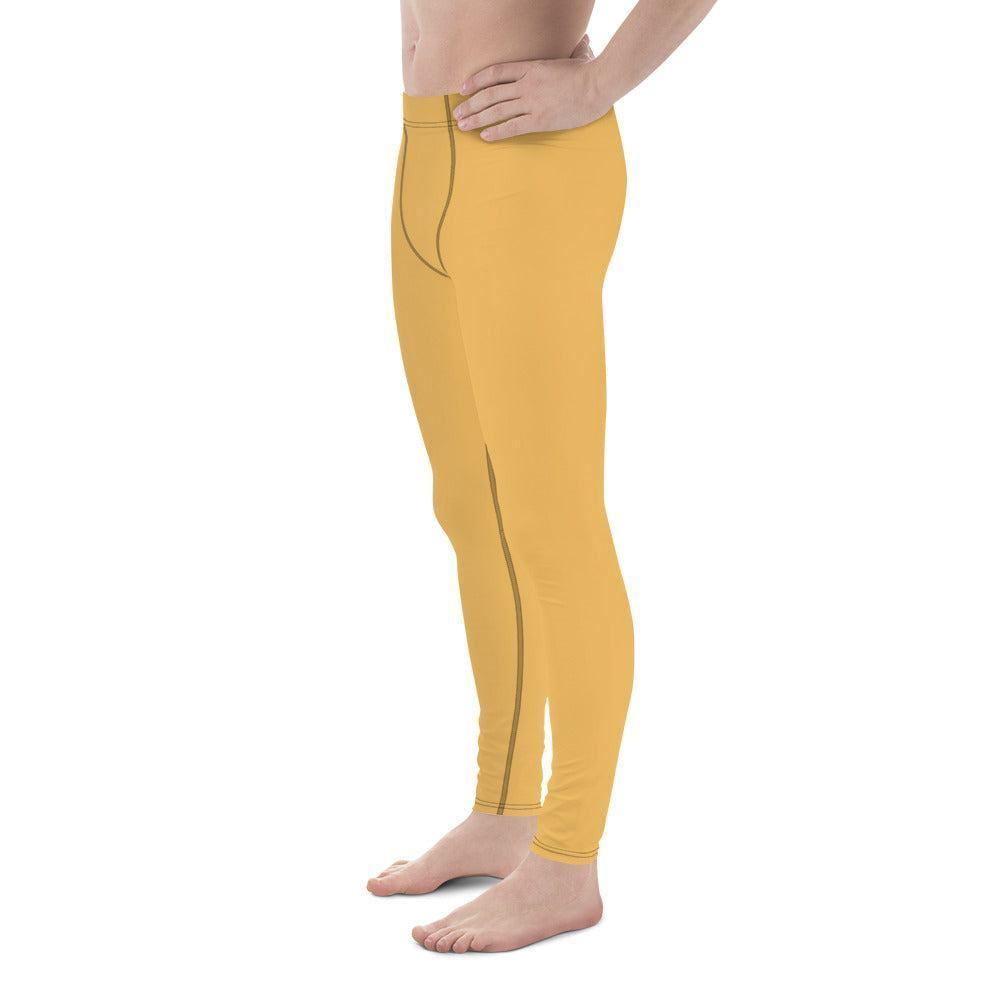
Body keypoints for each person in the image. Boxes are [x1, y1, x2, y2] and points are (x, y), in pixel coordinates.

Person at [369, 0, 719, 952]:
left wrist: (599, 83)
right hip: (425, 155)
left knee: (553, 525)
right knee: (473, 512)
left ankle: (567, 861)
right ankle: (504, 810)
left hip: (527, 169)